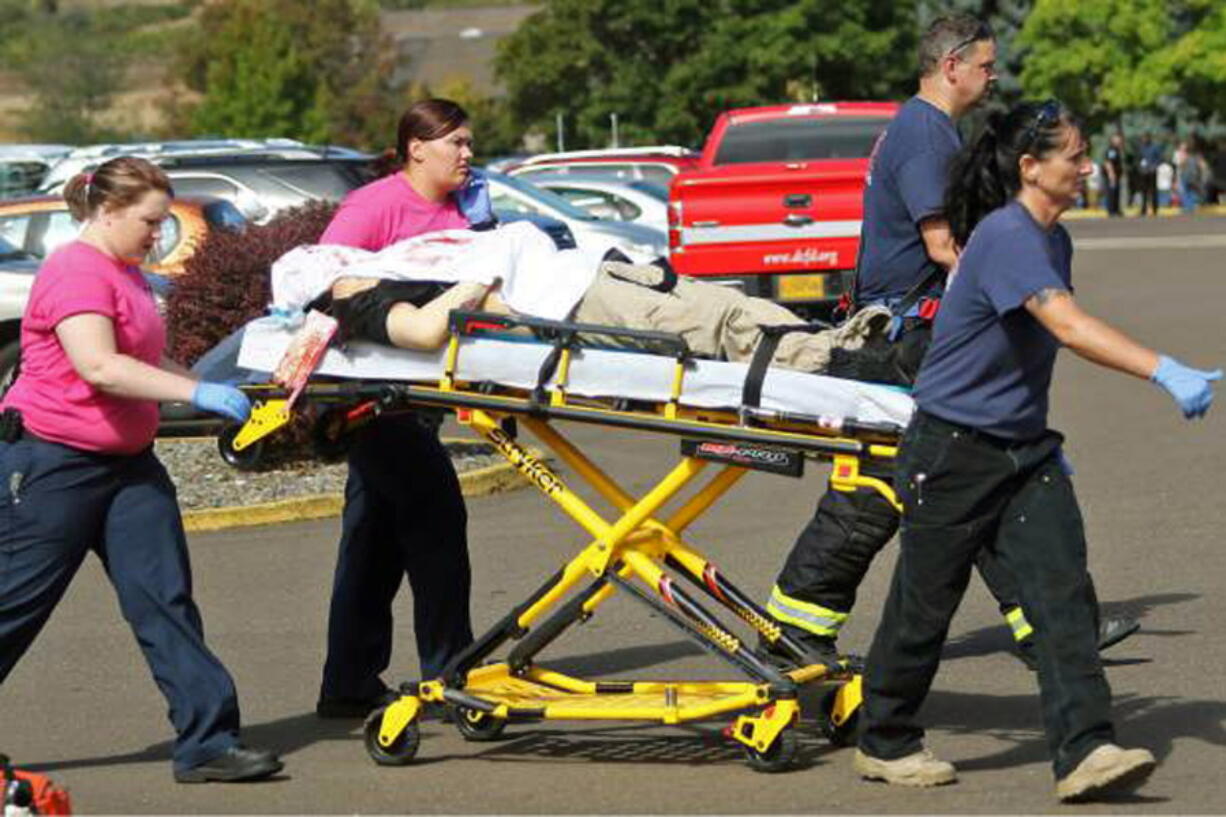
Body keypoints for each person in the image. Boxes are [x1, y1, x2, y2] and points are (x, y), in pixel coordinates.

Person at [852, 99, 1219, 801]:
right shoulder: (1008, 235)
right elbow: (1069, 326)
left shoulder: (1054, 238)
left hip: (1022, 450)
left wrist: (1028, 427)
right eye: (1075, 156)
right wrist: (1161, 367)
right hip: (951, 449)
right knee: (925, 604)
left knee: (1061, 592)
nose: (1087, 167)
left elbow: (1031, 346)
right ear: (1030, 166)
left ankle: (1087, 747)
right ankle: (884, 738)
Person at [760, 14, 1136, 670]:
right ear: (952, 64)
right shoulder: (925, 136)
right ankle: (795, 626)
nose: (993, 79)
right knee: (891, 491)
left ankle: (1050, 626)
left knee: (960, 481)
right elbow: (943, 246)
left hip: (909, 339)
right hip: (902, 346)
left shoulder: (928, 129)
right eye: (986, 67)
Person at [0, 157, 282, 783]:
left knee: (165, 600)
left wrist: (223, 383)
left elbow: (153, 359)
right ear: (106, 212)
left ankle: (207, 742)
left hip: (128, 466)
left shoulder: (125, 272)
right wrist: (197, 396)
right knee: (13, 604)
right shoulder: (74, 272)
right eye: (150, 222)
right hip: (52, 466)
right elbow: (100, 367)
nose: (158, 234)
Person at [312, 98, 486, 719]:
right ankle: (452, 672)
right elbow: (328, 282)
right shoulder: (376, 205)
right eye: (457, 144)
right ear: (418, 147)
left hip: (419, 395)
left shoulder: (459, 211)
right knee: (437, 520)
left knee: (375, 537)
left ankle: (349, 681)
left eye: (469, 144)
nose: (468, 155)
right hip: (373, 400)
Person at [271, 221, 891, 373]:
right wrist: (485, 275)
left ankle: (849, 342)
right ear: (321, 287)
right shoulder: (364, 304)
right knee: (714, 327)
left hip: (588, 277)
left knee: (724, 307)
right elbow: (427, 333)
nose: (340, 257)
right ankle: (846, 362)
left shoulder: (385, 268)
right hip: (569, 306)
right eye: (328, 264)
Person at [1137, 133, 1162, 216]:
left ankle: (1155, 209)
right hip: (1143, 172)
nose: (1144, 140)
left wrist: (1154, 166)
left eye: (1145, 138)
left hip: (1152, 172)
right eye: (1143, 138)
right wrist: (1140, 167)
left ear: (1149, 138)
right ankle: (1143, 209)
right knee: (1144, 191)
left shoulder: (1154, 147)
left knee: (1153, 191)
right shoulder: (1141, 148)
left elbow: (1159, 158)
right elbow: (1139, 158)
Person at [1103, 133, 1124, 216]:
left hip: (1116, 175)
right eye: (1117, 140)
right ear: (1113, 141)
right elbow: (1108, 162)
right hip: (1112, 175)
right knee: (1111, 193)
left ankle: (1116, 210)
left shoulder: (1116, 150)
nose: (1119, 141)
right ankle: (1111, 211)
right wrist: (1111, 174)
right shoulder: (1111, 150)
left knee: (1116, 192)